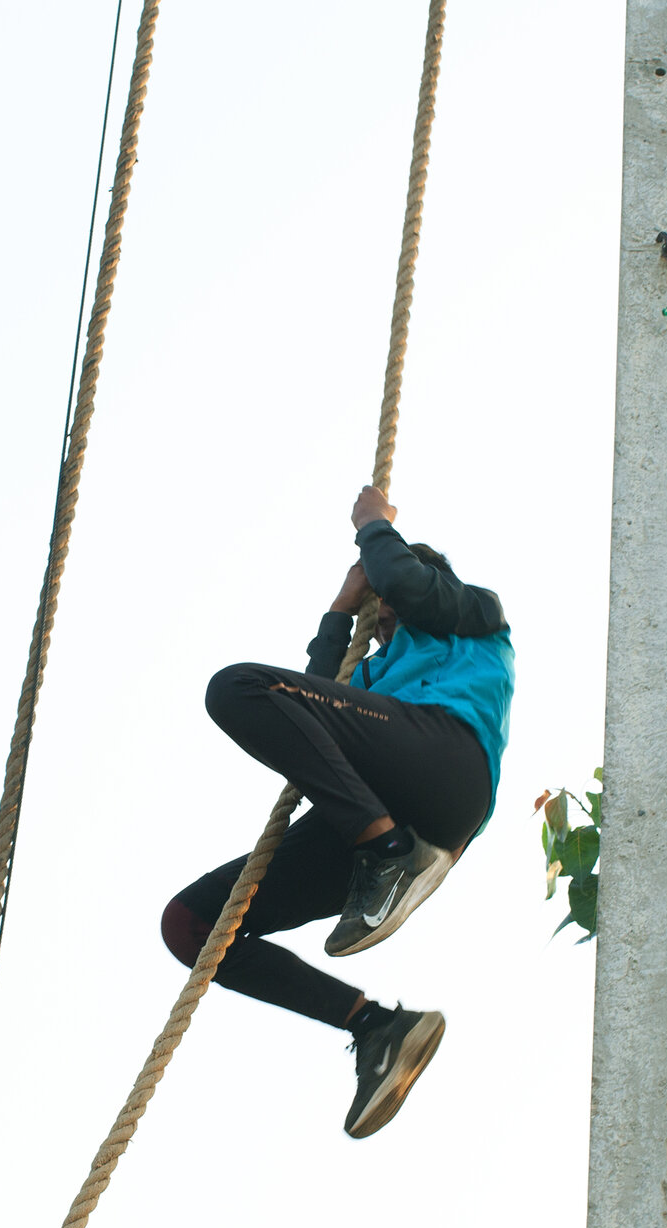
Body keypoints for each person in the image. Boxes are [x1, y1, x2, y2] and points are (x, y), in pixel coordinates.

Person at [160, 485, 514, 1138]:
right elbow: (311, 693)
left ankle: (390, 858)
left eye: (385, 608)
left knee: (237, 685)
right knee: (191, 925)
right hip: (374, 807)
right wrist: (338, 610)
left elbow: (406, 586)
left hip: (445, 769)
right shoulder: (375, 678)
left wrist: (373, 525)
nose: (380, 622)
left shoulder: (473, 616)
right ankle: (379, 1027)